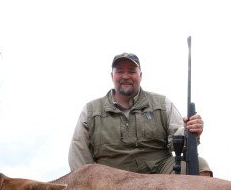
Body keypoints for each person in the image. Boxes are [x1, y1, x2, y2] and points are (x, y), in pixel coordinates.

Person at [68, 52, 212, 176]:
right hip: (110, 181)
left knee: (198, 165)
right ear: (111, 75)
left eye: (131, 71)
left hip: (158, 174)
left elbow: (179, 140)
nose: (125, 76)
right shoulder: (90, 111)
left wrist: (191, 131)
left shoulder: (162, 104)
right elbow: (78, 153)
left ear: (140, 75)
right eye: (119, 71)